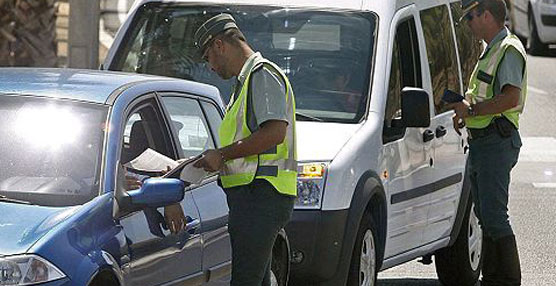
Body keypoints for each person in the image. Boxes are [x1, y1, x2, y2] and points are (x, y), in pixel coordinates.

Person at [192, 14, 297, 286]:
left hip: (261, 196)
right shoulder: (246, 82)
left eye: (208, 57)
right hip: (251, 197)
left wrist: (223, 155)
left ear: (219, 45)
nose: (210, 67)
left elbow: (274, 132)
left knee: (245, 281)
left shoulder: (261, 75)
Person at [450, 1, 527, 285]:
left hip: (497, 140)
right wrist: (465, 107)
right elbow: (479, 92)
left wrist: (472, 111)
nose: (468, 22)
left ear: (486, 15)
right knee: (484, 213)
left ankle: (506, 280)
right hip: (483, 141)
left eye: (470, 16)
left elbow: (510, 98)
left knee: (494, 215)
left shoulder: (508, 50)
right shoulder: (491, 50)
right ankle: (493, 277)